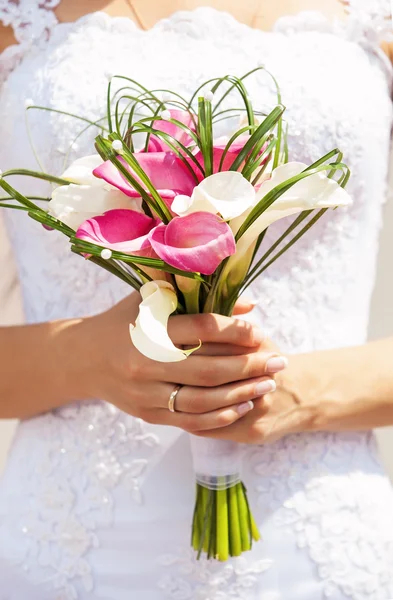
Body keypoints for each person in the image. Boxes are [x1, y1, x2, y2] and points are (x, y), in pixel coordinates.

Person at [0, 1, 393, 598]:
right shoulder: (20, 17)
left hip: (321, 552)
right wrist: (82, 355)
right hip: (72, 554)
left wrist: (291, 392)